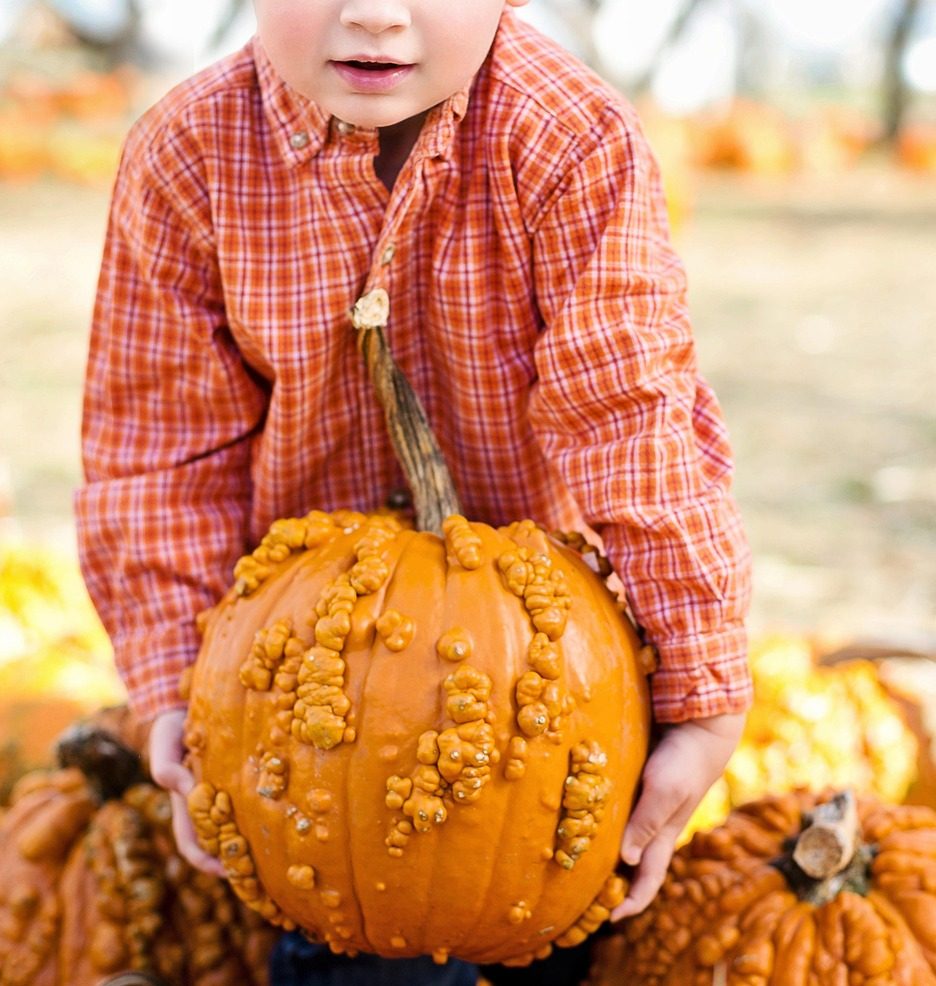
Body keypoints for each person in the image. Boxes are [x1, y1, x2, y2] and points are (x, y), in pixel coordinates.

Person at [75, 0, 752, 982]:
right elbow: (161, 453)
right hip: (314, 710)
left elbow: (631, 411)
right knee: (353, 950)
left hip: (554, 691)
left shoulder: (572, 137)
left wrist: (700, 691)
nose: (374, 14)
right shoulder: (187, 157)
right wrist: (175, 689)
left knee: (560, 930)